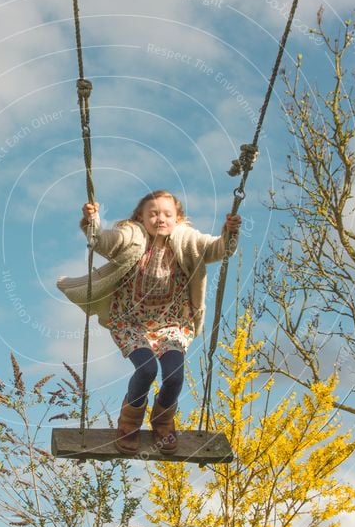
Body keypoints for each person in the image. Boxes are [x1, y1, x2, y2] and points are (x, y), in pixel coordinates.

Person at [57, 190, 241, 455]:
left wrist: (228, 233)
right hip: (131, 323)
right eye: (153, 213)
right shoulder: (131, 237)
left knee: (175, 376)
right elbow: (102, 240)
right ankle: (130, 421)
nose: (160, 218)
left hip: (171, 324)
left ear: (178, 219)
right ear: (140, 218)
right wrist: (92, 222)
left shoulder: (188, 240)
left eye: (167, 214)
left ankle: (163, 421)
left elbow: (217, 249)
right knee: (146, 371)